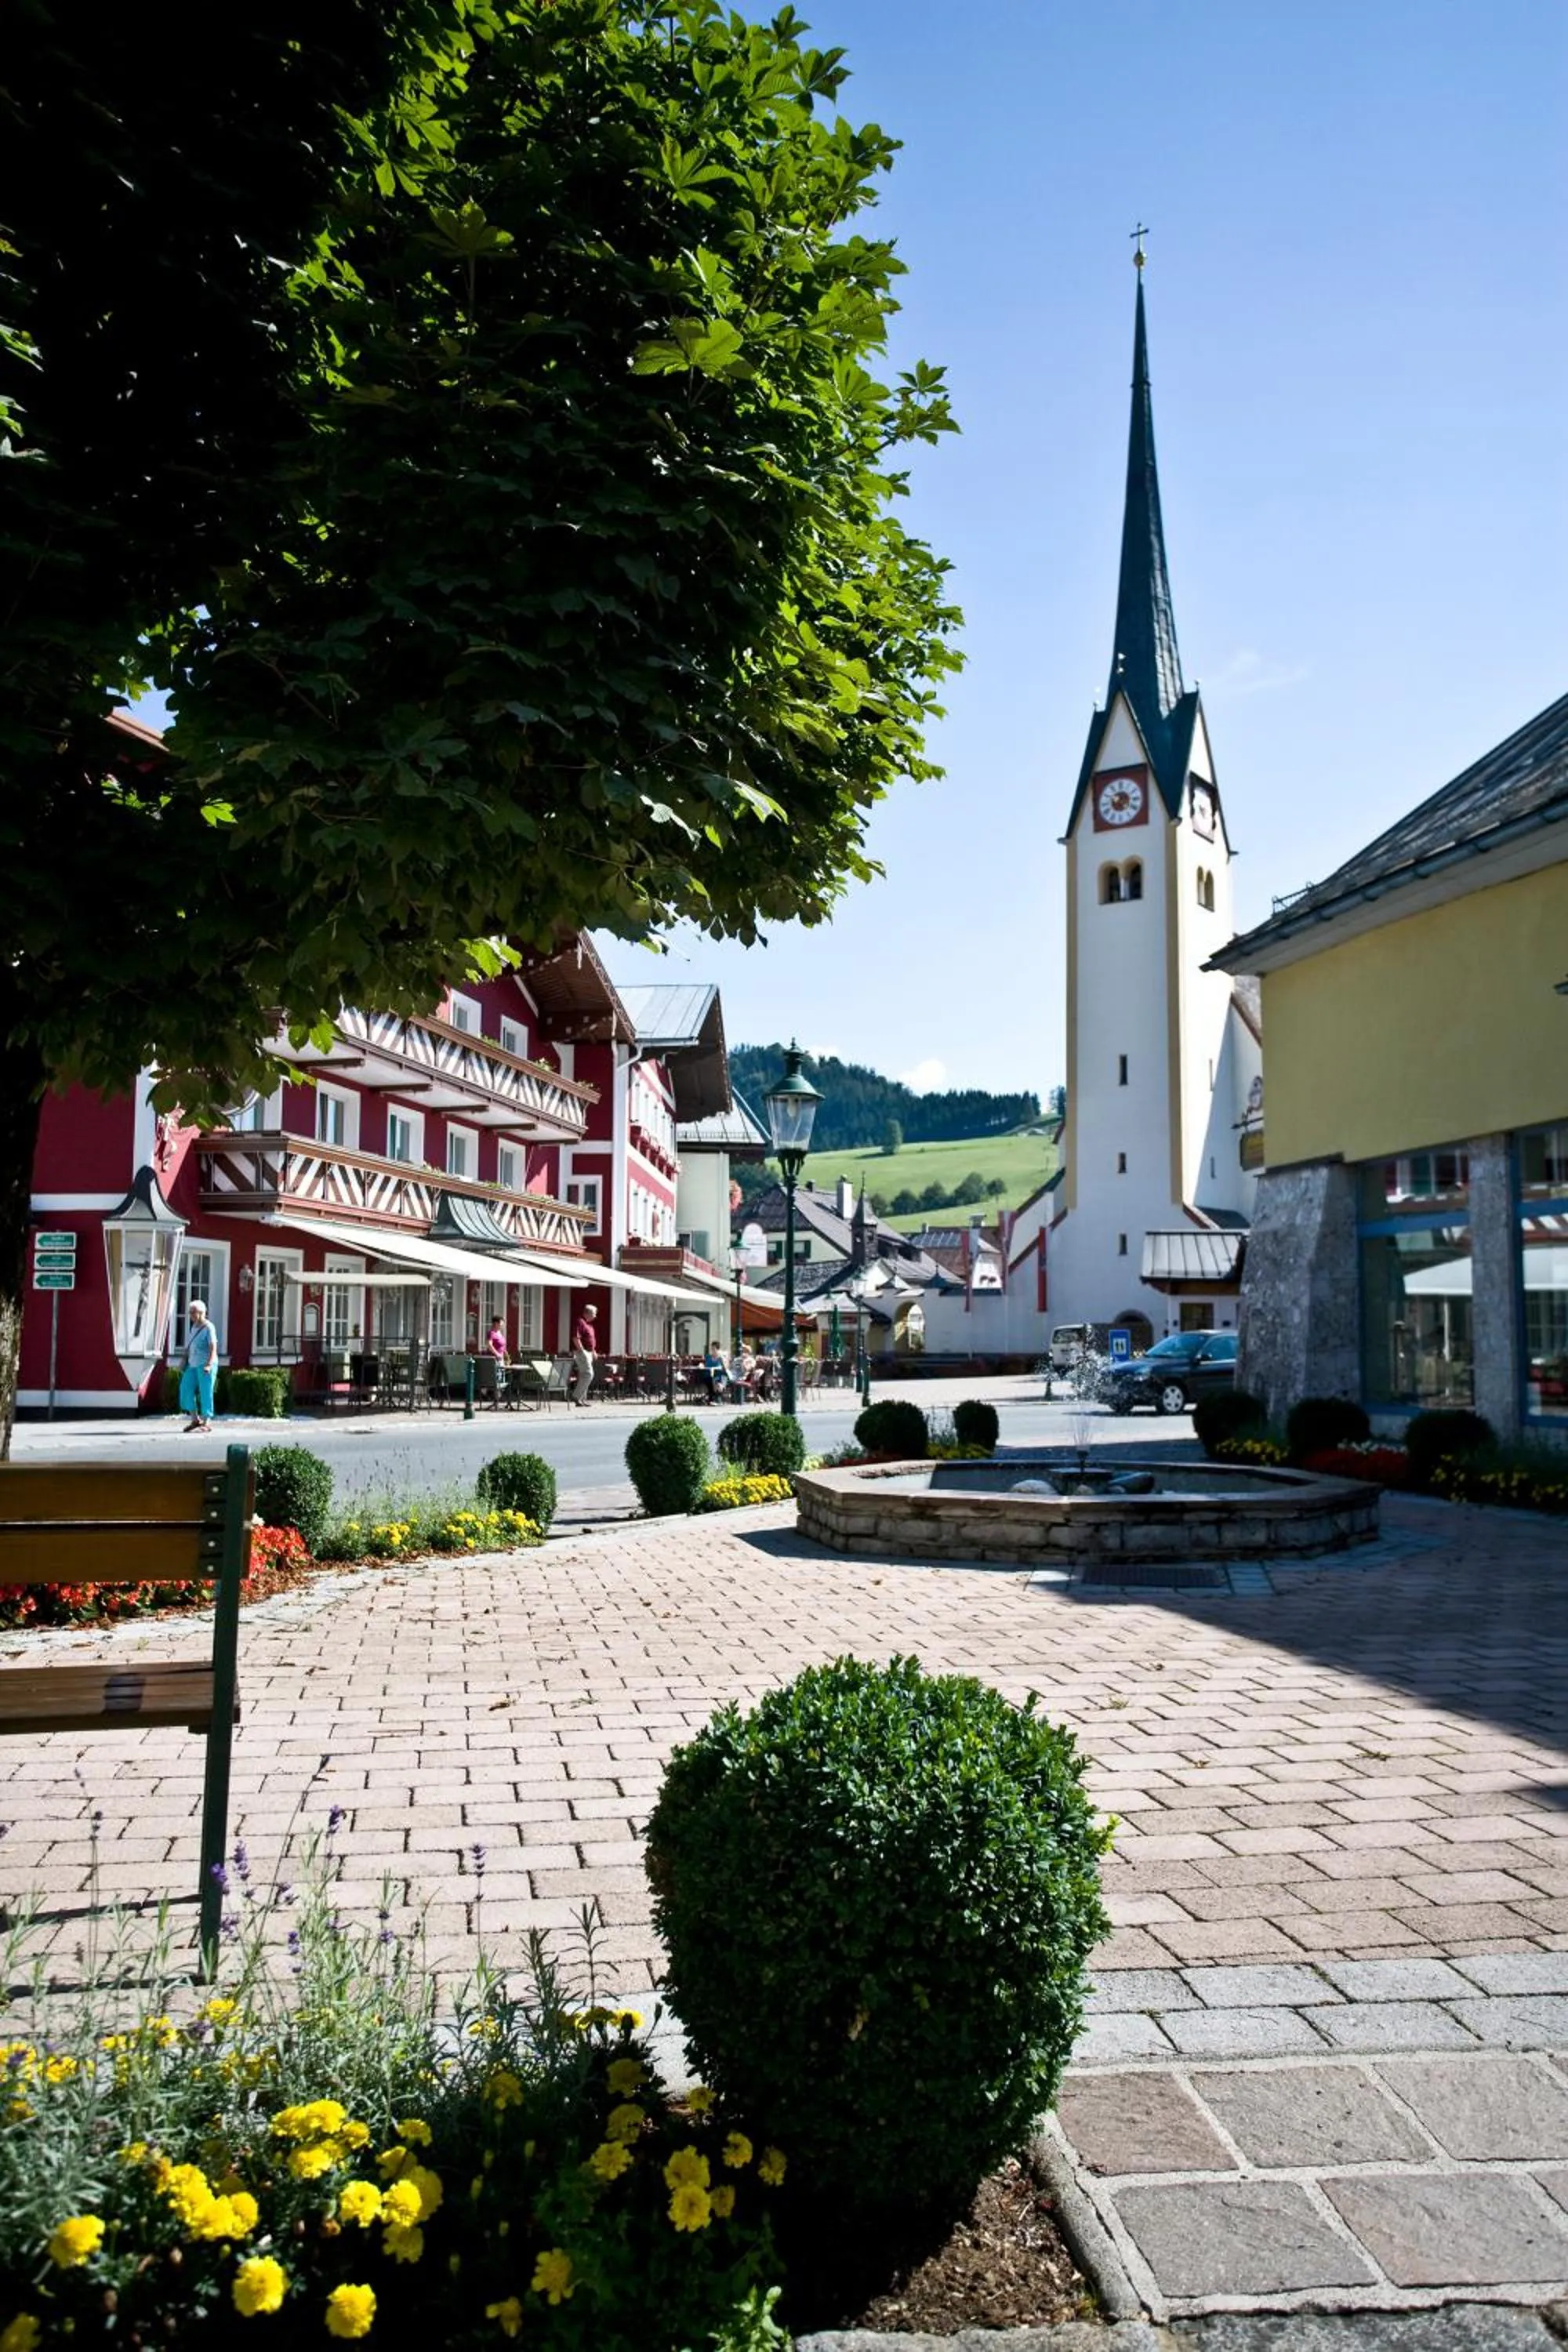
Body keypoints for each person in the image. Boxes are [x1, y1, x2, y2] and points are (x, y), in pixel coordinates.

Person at [180, 1301, 218, 1432]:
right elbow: (190, 1345)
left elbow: (213, 1348)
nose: (191, 1315)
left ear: (201, 1313)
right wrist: (184, 1360)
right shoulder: (194, 1327)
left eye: (193, 1312)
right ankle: (195, 1419)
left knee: (205, 1392)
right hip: (193, 1363)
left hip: (205, 1364)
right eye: (190, 1312)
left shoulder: (209, 1327)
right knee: (185, 1388)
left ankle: (207, 1421)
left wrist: (209, 1364)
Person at [572, 1302, 598, 1406]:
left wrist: (594, 1351)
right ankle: (576, 1396)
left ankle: (582, 1400)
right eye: (594, 1314)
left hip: (589, 1353)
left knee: (584, 1376)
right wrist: (582, 1351)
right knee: (588, 1374)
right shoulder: (580, 1322)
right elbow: (575, 1337)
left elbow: (591, 1341)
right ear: (588, 1313)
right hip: (582, 1352)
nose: (595, 1316)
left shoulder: (589, 1325)